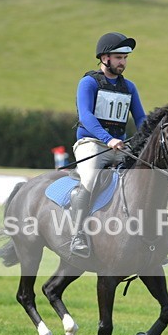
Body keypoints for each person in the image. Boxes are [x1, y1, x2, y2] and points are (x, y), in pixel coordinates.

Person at [69, 32, 147, 258]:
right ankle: (78, 235)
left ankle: (148, 237)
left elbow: (140, 118)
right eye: (118, 57)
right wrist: (108, 139)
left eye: (125, 58)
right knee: (90, 180)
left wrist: (146, 138)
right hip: (91, 143)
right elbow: (86, 116)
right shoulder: (88, 82)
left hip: (120, 146)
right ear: (105, 58)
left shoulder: (129, 87)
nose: (123, 62)